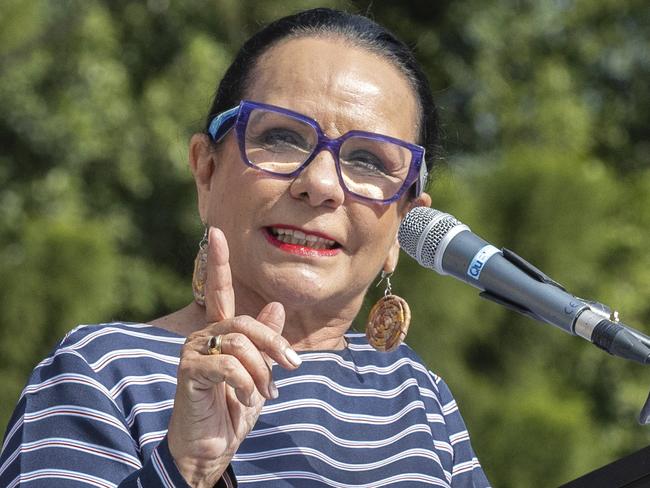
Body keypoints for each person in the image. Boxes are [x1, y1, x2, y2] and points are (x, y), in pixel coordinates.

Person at [0, 8, 491, 488]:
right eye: (282, 137)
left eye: (368, 160)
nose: (320, 183)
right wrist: (184, 471)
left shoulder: (420, 398)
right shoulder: (102, 372)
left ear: (404, 222)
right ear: (207, 173)